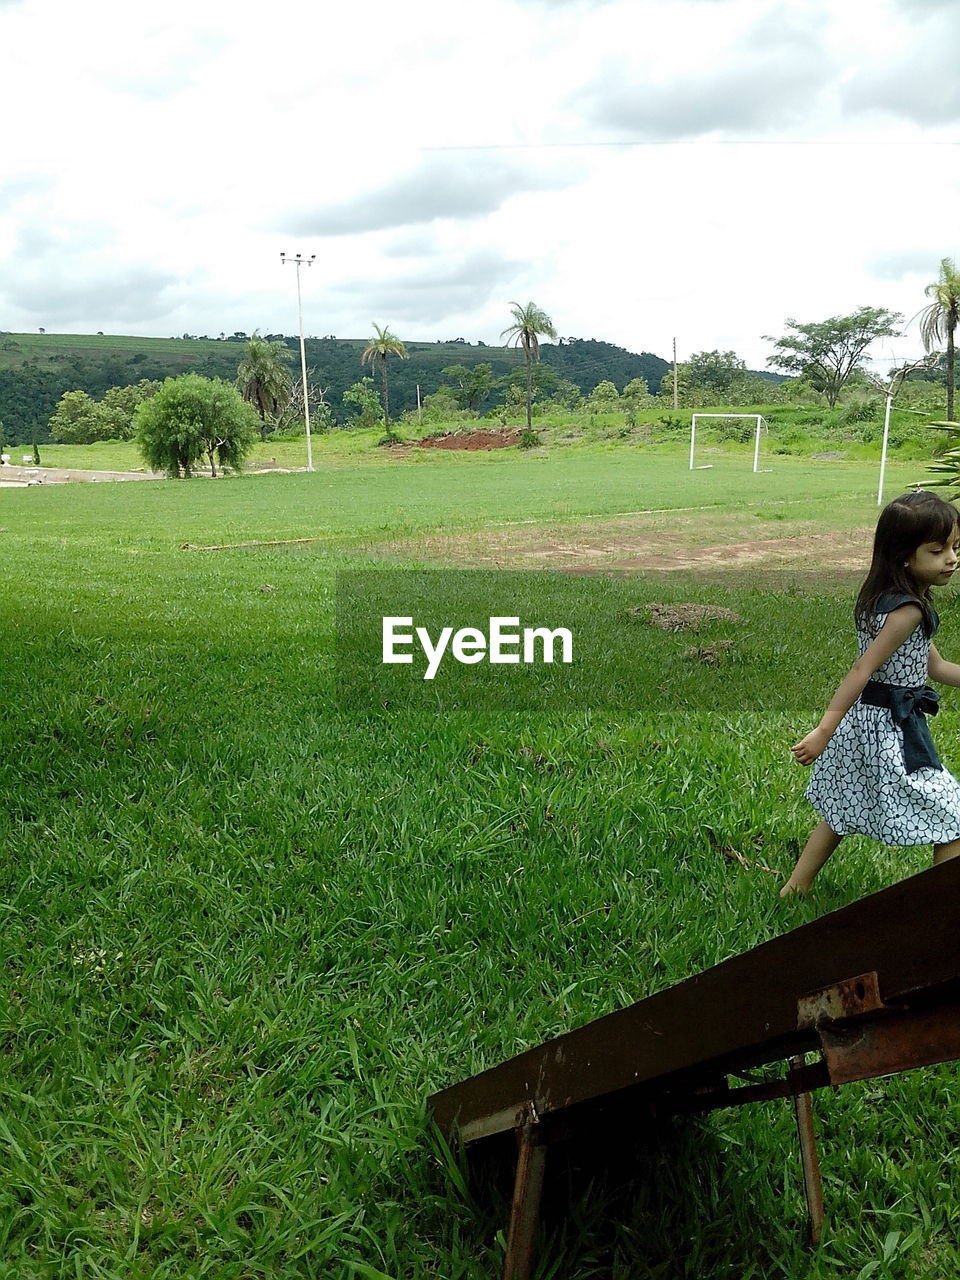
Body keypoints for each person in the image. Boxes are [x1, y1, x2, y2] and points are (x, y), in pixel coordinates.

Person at [782, 490, 960, 896]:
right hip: (892, 728)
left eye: (955, 547)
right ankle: (939, 909)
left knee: (842, 804)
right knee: (953, 815)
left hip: (868, 721)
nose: (952, 558)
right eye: (938, 550)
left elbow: (934, 667)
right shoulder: (908, 611)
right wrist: (823, 731)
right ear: (904, 556)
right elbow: (862, 670)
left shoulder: (888, 600)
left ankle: (795, 888)